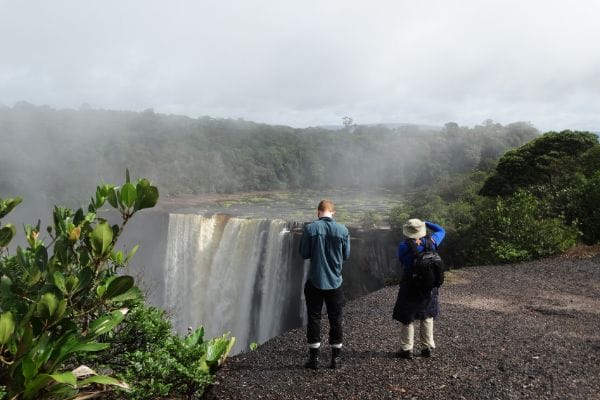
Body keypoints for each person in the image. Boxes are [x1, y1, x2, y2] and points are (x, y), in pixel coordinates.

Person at [299, 199, 351, 369]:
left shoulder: (310, 228)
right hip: (335, 282)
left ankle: (313, 359)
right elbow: (346, 255)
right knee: (335, 318)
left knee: (314, 318)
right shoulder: (343, 230)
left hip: (315, 280)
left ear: (318, 212)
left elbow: (304, 253)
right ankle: (335, 359)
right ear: (333, 212)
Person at [393, 218, 445, 359]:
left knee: (407, 316)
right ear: (422, 229)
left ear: (408, 232)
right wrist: (426, 222)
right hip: (429, 285)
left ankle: (406, 349)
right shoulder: (433, 241)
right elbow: (441, 230)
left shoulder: (404, 245)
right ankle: (426, 347)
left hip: (410, 283)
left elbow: (402, 261)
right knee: (427, 315)